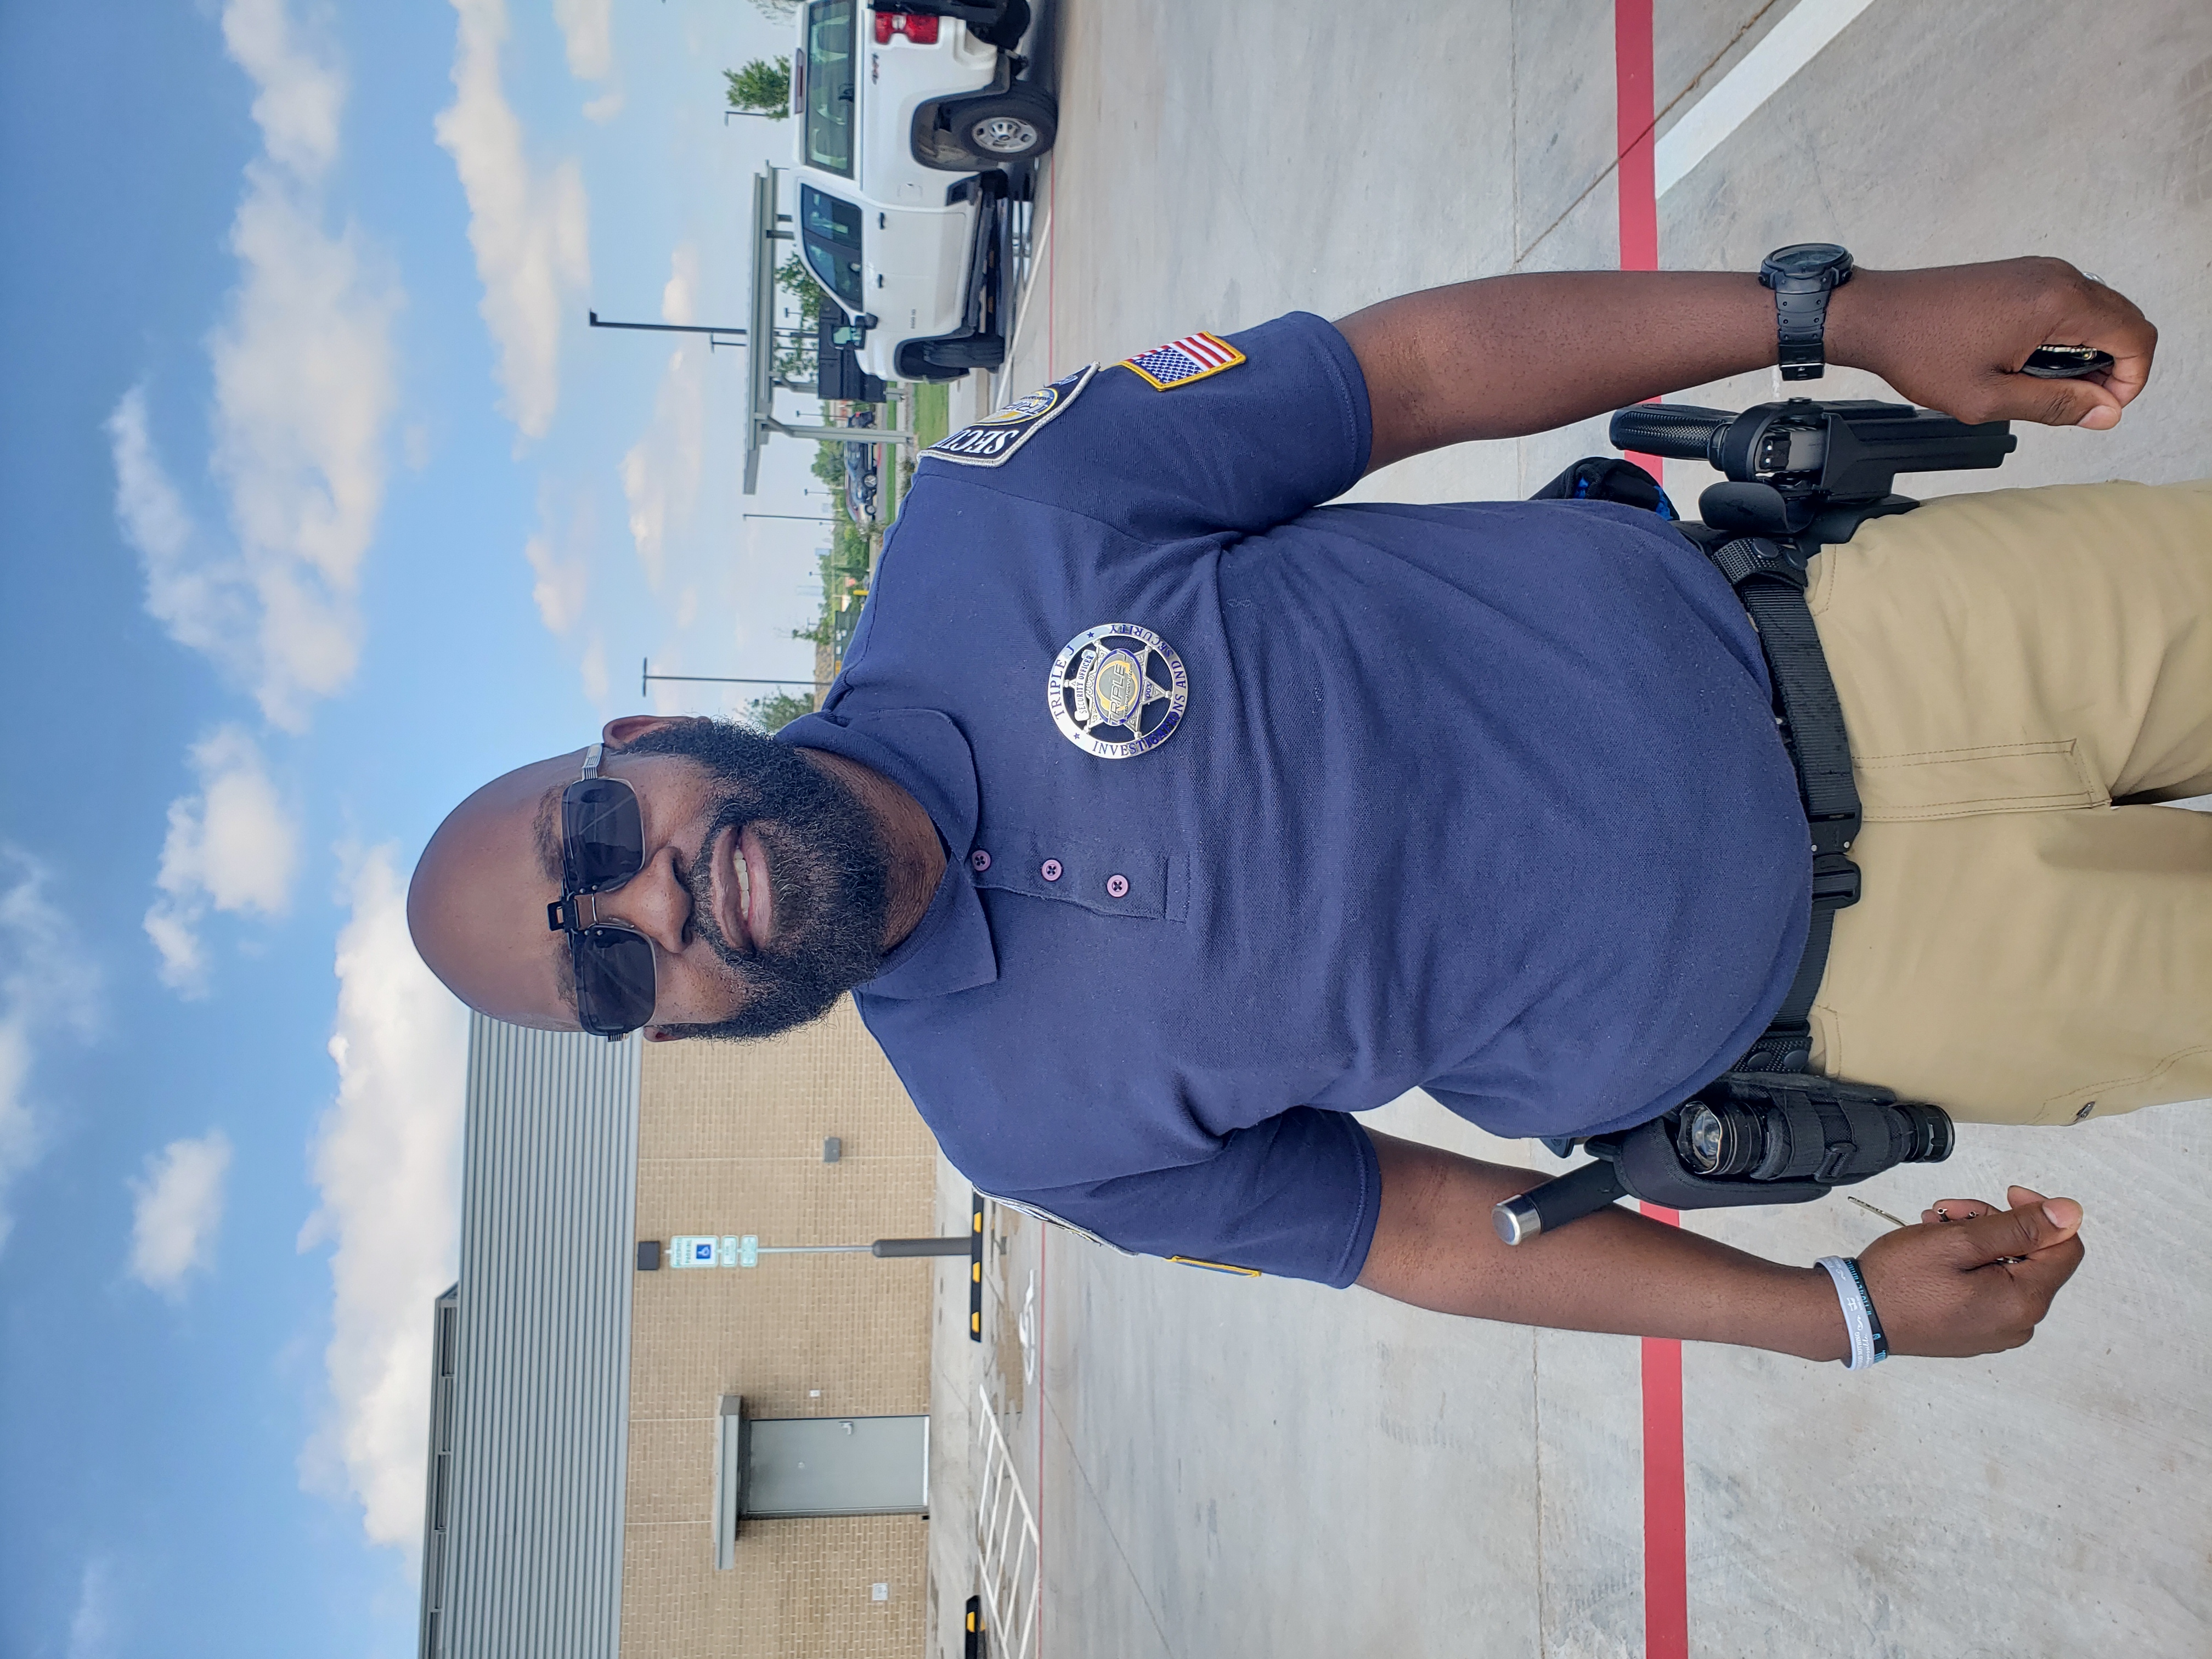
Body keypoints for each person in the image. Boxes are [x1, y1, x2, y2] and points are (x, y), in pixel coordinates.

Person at [408, 255, 2208, 1368]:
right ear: (665, 1030)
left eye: (593, 842)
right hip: (1896, 1001)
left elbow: (1406, 375)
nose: (651, 905)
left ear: (636, 736)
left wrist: (1842, 316)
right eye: (609, 972)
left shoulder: (989, 525)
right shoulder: (1026, 1138)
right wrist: (1841, 1317)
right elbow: (1421, 1236)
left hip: (1896, 635)